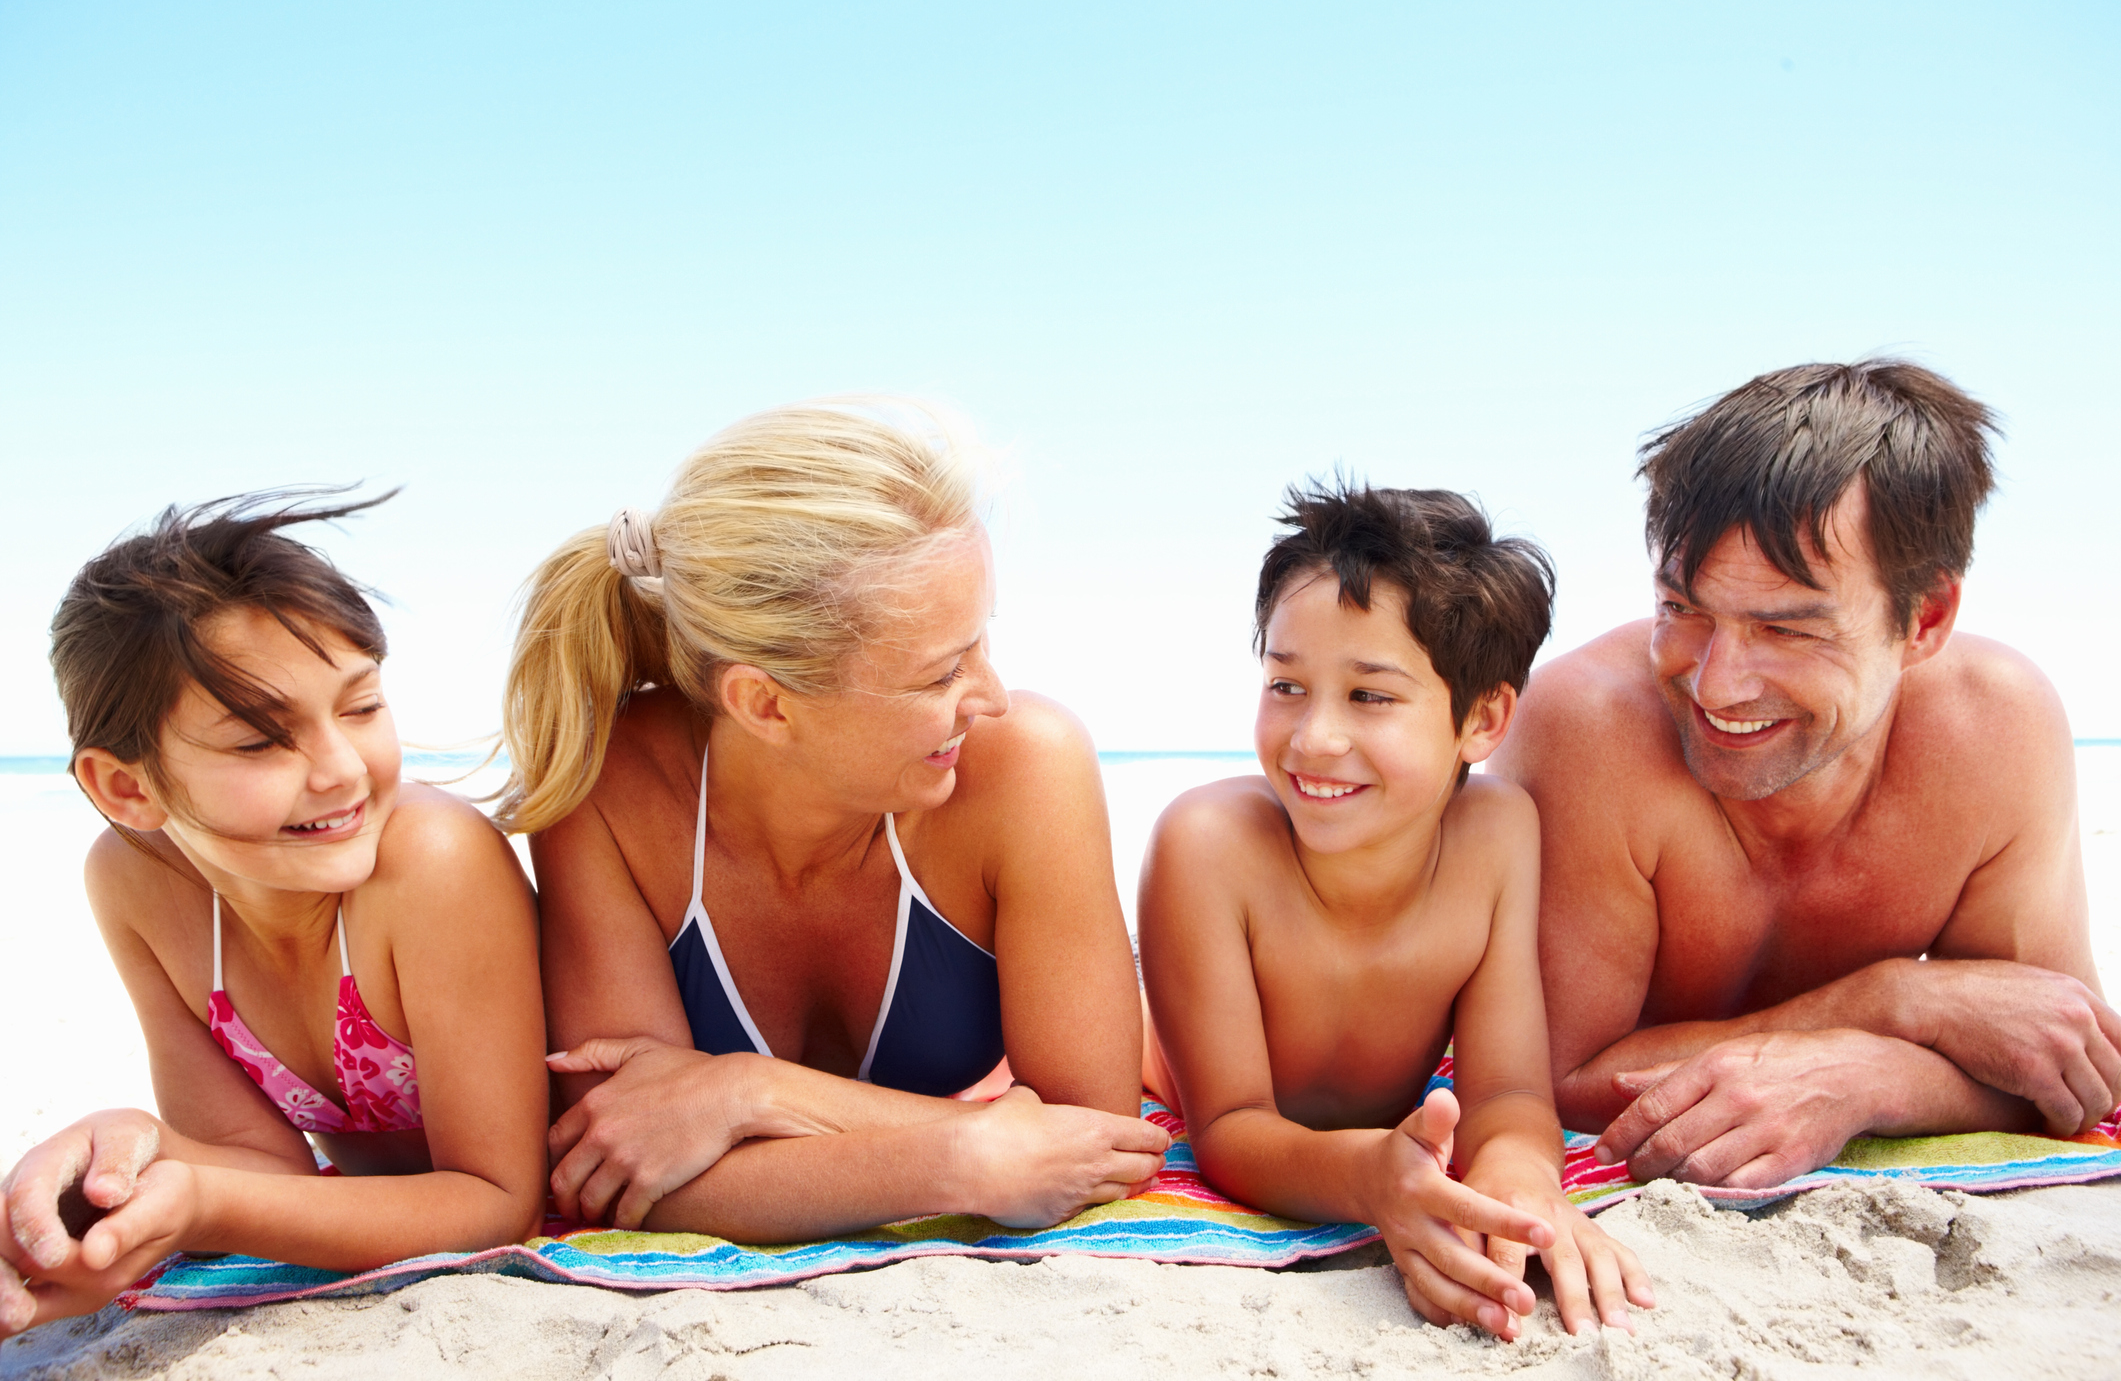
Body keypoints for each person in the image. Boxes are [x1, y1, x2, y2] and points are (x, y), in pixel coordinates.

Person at [508, 399, 1169, 1242]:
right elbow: (628, 1170)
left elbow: (1093, 1143)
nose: (992, 696)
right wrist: (963, 1159)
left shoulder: (1024, 765)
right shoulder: (607, 792)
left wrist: (754, 1092)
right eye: (939, 675)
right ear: (766, 705)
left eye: (982, 641)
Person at [1492, 359, 2121, 1190]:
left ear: (1923, 620)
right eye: (1682, 609)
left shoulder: (1991, 730)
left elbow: (2065, 1067)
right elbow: (1556, 1081)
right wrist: (1889, 1003)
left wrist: (1870, 1077)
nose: (1715, 684)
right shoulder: (1588, 726)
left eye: (1787, 630)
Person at [0, 494, 547, 1338]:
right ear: (127, 788)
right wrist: (118, 1164)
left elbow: (497, 1198)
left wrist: (204, 1203)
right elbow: (256, 1166)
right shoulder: (136, 881)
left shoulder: (433, 861)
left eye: (361, 707)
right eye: (260, 740)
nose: (339, 770)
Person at [1138, 481, 1653, 1340]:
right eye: (1285, 685)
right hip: (1179, 1083)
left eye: (1369, 697)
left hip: (1388, 1132)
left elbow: (1509, 1092)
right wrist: (1370, 1178)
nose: (1312, 740)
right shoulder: (1207, 844)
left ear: (1481, 719)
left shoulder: (1496, 834)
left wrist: (1521, 1190)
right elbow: (1228, 1128)